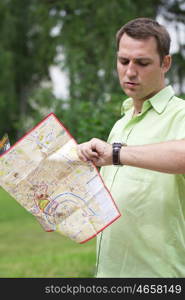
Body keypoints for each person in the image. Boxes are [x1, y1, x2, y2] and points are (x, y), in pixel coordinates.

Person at [77, 17, 185, 278]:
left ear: (165, 63)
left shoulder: (180, 114)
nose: (130, 71)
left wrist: (116, 154)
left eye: (142, 62)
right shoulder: (121, 123)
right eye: (123, 61)